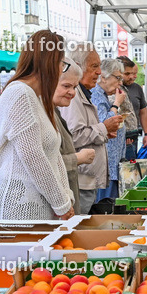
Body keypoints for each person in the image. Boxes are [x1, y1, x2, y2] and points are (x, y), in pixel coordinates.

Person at [0, 31, 74, 220]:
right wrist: (61, 204)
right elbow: (32, 156)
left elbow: (53, 155)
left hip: (38, 208)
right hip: (18, 209)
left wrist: (65, 198)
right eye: (62, 63)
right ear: (50, 62)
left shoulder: (37, 98)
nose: (62, 70)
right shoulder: (20, 94)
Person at [62, 43, 122, 213]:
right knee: (77, 223)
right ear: (78, 67)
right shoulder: (73, 97)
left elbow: (81, 131)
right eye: (94, 66)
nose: (99, 72)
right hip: (80, 180)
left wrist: (104, 133)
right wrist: (103, 128)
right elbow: (74, 136)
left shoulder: (82, 93)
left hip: (86, 179)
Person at [54, 60, 96, 214]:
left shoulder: (54, 111)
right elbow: (42, 164)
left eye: (75, 87)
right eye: (66, 86)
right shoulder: (45, 114)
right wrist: (78, 158)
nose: (72, 92)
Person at [92, 59, 128, 201]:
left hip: (112, 163)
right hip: (106, 165)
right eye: (118, 78)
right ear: (103, 77)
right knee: (106, 203)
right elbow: (104, 124)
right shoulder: (96, 94)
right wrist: (117, 103)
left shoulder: (102, 95)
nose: (120, 83)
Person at [119, 56, 147, 159]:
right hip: (117, 137)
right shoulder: (112, 88)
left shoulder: (137, 88)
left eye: (133, 73)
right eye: (127, 74)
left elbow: (143, 112)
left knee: (131, 164)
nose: (132, 77)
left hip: (132, 137)